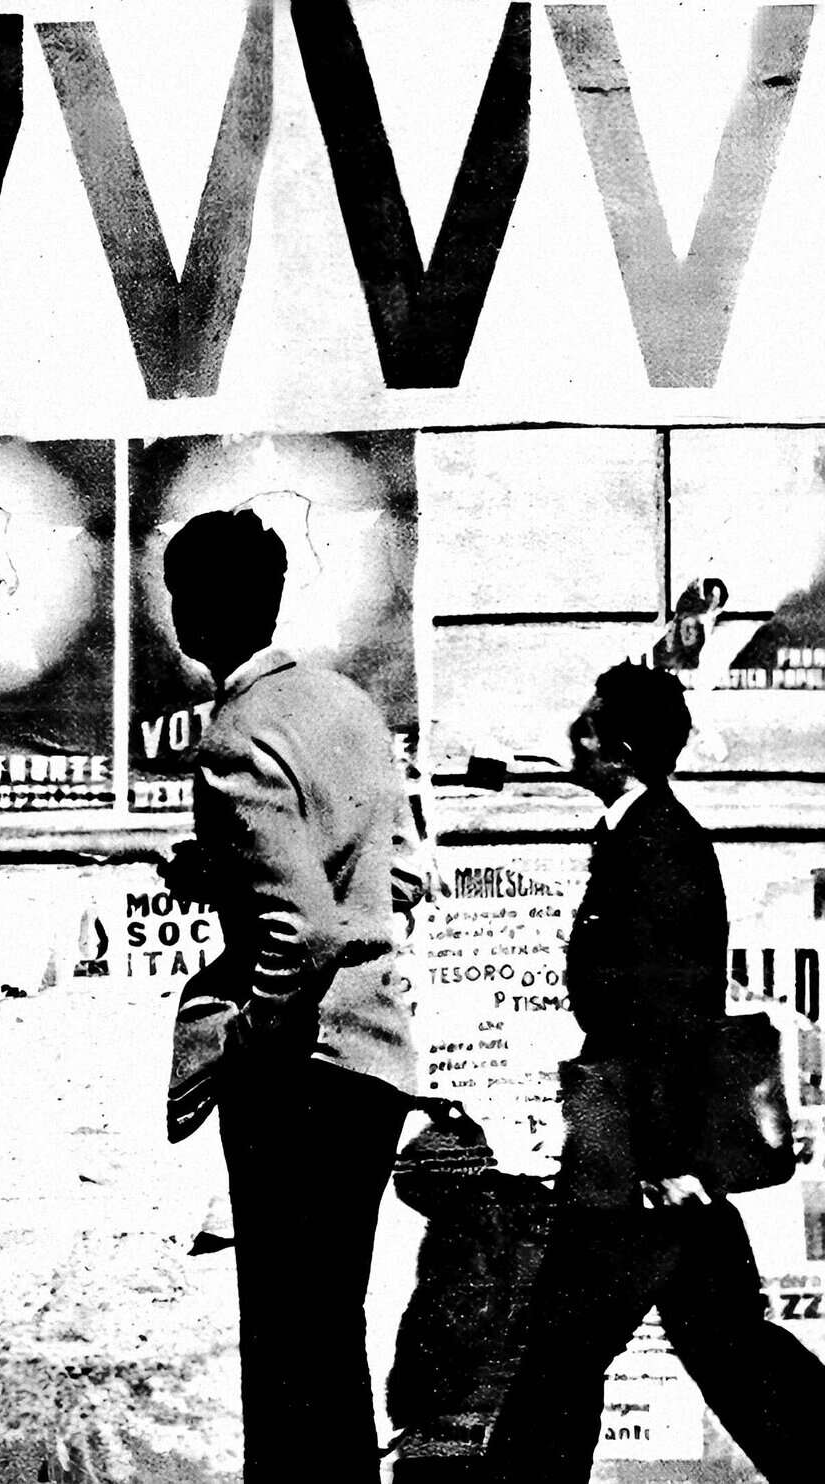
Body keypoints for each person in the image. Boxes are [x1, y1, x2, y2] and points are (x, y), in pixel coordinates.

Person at [486, 661, 825, 1484]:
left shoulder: (660, 845)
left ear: (626, 750)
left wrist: (668, 1157)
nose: (577, 734)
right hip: (636, 1142)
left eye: (593, 724)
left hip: (642, 1150)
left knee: (564, 1353)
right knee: (725, 1342)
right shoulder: (636, 837)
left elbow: (673, 1014)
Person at [161, 508, 424, 1484]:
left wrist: (259, 1029)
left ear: (197, 608)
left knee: (284, 1347)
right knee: (327, 1336)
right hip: (375, 1060)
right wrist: (230, 869)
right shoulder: (345, 705)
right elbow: (397, 878)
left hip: (299, 1071)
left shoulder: (236, 732)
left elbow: (301, 929)